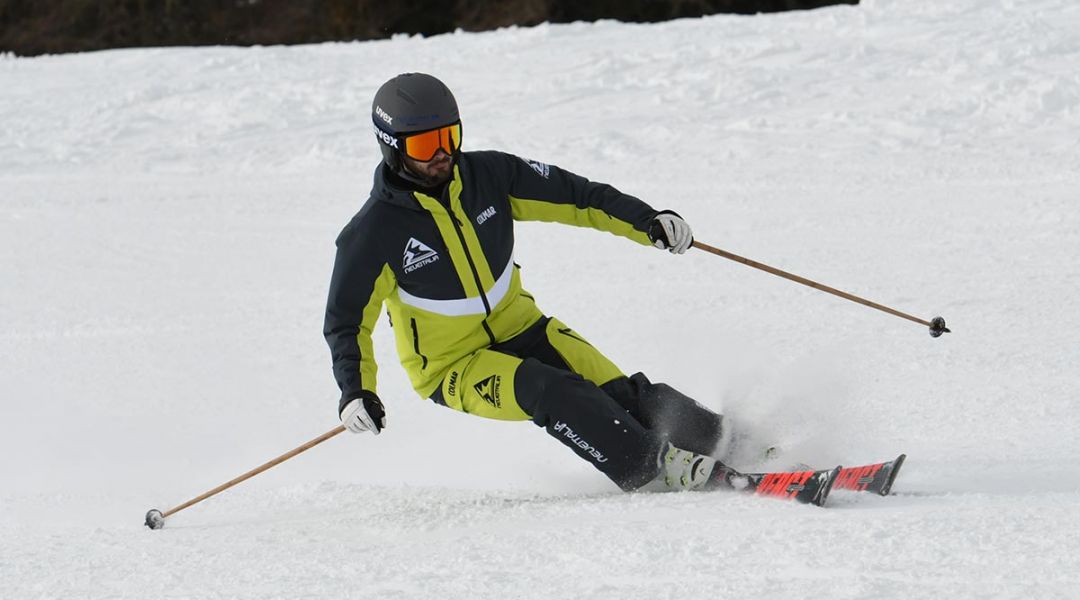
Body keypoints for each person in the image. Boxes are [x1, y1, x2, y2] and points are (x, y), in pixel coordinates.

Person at [324, 73, 725, 492]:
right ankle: (651, 468)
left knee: (623, 395)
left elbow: (578, 197)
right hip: (453, 366)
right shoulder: (372, 234)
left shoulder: (490, 176)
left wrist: (647, 221)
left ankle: (729, 441)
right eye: (426, 144)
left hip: (523, 327)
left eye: (450, 135)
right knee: (553, 392)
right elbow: (346, 322)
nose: (443, 153)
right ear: (391, 146)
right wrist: (356, 391)